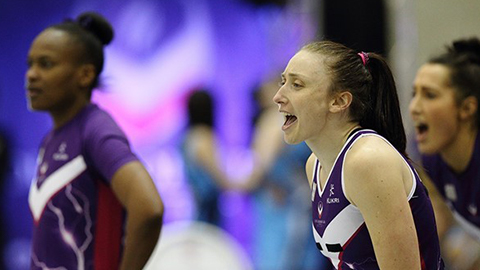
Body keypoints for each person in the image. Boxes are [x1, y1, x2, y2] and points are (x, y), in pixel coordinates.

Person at [273, 40, 444, 269]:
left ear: (339, 101)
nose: (278, 96)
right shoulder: (314, 165)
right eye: (283, 82)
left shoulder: (368, 160)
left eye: (297, 85)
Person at [25, 12, 164, 270]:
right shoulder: (51, 138)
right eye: (30, 64)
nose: (31, 74)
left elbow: (148, 208)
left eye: (45, 64)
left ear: (85, 75)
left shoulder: (96, 130)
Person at [409, 37, 480, 269]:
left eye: (429, 95)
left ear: (467, 108)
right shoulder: (433, 161)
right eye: (414, 94)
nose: (414, 107)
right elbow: (438, 220)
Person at [182, 89, 230, 226]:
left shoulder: (187, 138)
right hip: (209, 207)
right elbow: (216, 175)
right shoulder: (205, 137)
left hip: (196, 202)